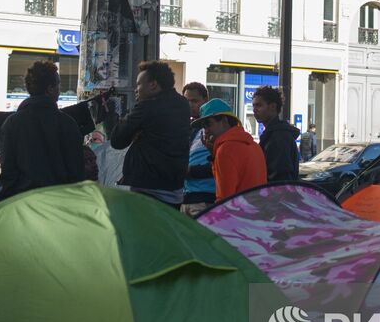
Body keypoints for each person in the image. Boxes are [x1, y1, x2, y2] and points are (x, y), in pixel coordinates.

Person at [0, 60, 85, 197]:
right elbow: (77, 171)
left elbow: (8, 171)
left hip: (23, 203)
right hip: (58, 203)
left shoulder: (12, 123)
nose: (59, 90)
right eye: (58, 85)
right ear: (50, 89)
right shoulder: (66, 123)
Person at [109, 60, 190, 202]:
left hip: (147, 189)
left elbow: (117, 140)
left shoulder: (147, 107)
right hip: (175, 189)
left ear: (153, 85)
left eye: (139, 84)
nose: (136, 89)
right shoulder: (183, 104)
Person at [192, 98, 266, 200]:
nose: (206, 131)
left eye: (208, 124)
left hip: (237, 213)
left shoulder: (225, 150)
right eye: (204, 127)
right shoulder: (254, 145)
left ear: (224, 121)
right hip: (254, 211)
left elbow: (224, 199)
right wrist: (213, 155)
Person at [252, 85, 299, 182]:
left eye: (259, 105)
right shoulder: (274, 134)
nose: (254, 110)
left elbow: (280, 177)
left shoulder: (279, 137)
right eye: (254, 105)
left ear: (272, 107)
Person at [181, 82, 216, 212]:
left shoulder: (214, 128)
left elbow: (220, 163)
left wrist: (191, 171)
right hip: (188, 196)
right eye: (186, 101)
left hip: (205, 198)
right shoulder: (191, 128)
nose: (190, 105)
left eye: (194, 101)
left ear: (205, 100)